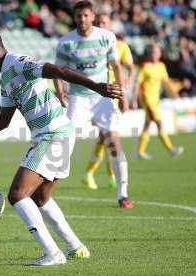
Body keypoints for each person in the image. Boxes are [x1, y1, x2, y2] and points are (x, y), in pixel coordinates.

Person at [0, 24, 123, 266]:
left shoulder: (18, 62)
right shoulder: (5, 78)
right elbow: (2, 120)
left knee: (18, 195)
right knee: (40, 198)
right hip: (52, 134)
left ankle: (52, 253)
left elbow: (57, 69)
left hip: (53, 134)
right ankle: (76, 247)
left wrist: (96, 87)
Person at [53, 1, 133, 209]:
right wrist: (60, 92)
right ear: (75, 17)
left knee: (113, 142)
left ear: (92, 16)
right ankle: (46, 187)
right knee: (63, 142)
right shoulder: (65, 42)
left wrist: (122, 94)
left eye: (86, 16)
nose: (82, 20)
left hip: (103, 97)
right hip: (78, 98)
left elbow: (116, 66)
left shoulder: (106, 37)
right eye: (78, 16)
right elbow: (57, 71)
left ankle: (122, 194)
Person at [82, 13, 136, 190]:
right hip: (97, 96)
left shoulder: (120, 46)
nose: (100, 25)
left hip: (114, 94)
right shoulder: (90, 46)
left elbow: (129, 68)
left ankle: (97, 174)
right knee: (109, 137)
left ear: (110, 25)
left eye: (104, 22)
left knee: (106, 138)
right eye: (98, 22)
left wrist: (125, 87)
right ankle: (102, 175)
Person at [133, 43, 183, 159]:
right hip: (147, 100)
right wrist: (135, 100)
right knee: (159, 123)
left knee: (147, 124)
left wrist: (173, 92)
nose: (155, 54)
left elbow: (166, 82)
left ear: (160, 53)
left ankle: (139, 152)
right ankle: (171, 150)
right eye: (152, 52)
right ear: (149, 54)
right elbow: (137, 84)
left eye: (157, 52)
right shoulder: (144, 66)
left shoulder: (161, 66)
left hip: (155, 101)